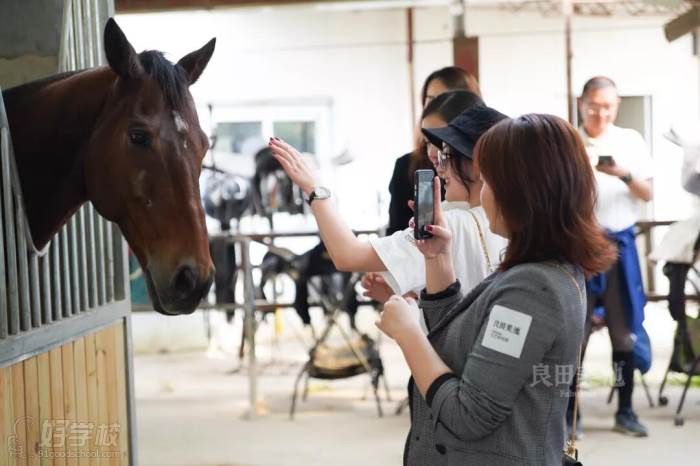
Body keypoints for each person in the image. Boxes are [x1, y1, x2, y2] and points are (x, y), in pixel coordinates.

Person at [376, 113, 617, 465]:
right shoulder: (539, 270)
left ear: (521, 192)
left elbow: (468, 415)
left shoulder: (534, 288)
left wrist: (409, 334)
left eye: (488, 181)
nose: (482, 195)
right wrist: (438, 260)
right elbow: (462, 349)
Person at [267, 96, 507, 311]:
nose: (437, 163)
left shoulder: (446, 224)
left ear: (477, 165)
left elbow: (347, 256)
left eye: (447, 155)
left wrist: (315, 189)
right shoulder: (506, 219)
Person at [569, 76, 654, 438]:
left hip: (620, 246)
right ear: (581, 103)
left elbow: (647, 193)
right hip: (580, 246)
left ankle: (626, 409)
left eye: (608, 106)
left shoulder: (629, 141)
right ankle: (569, 415)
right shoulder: (568, 140)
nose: (601, 113)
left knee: (624, 332)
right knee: (574, 332)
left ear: (616, 105)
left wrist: (622, 172)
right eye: (594, 105)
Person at [387, 67, 481, 235]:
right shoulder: (407, 166)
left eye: (451, 100)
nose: (440, 106)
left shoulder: (491, 206)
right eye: (431, 100)